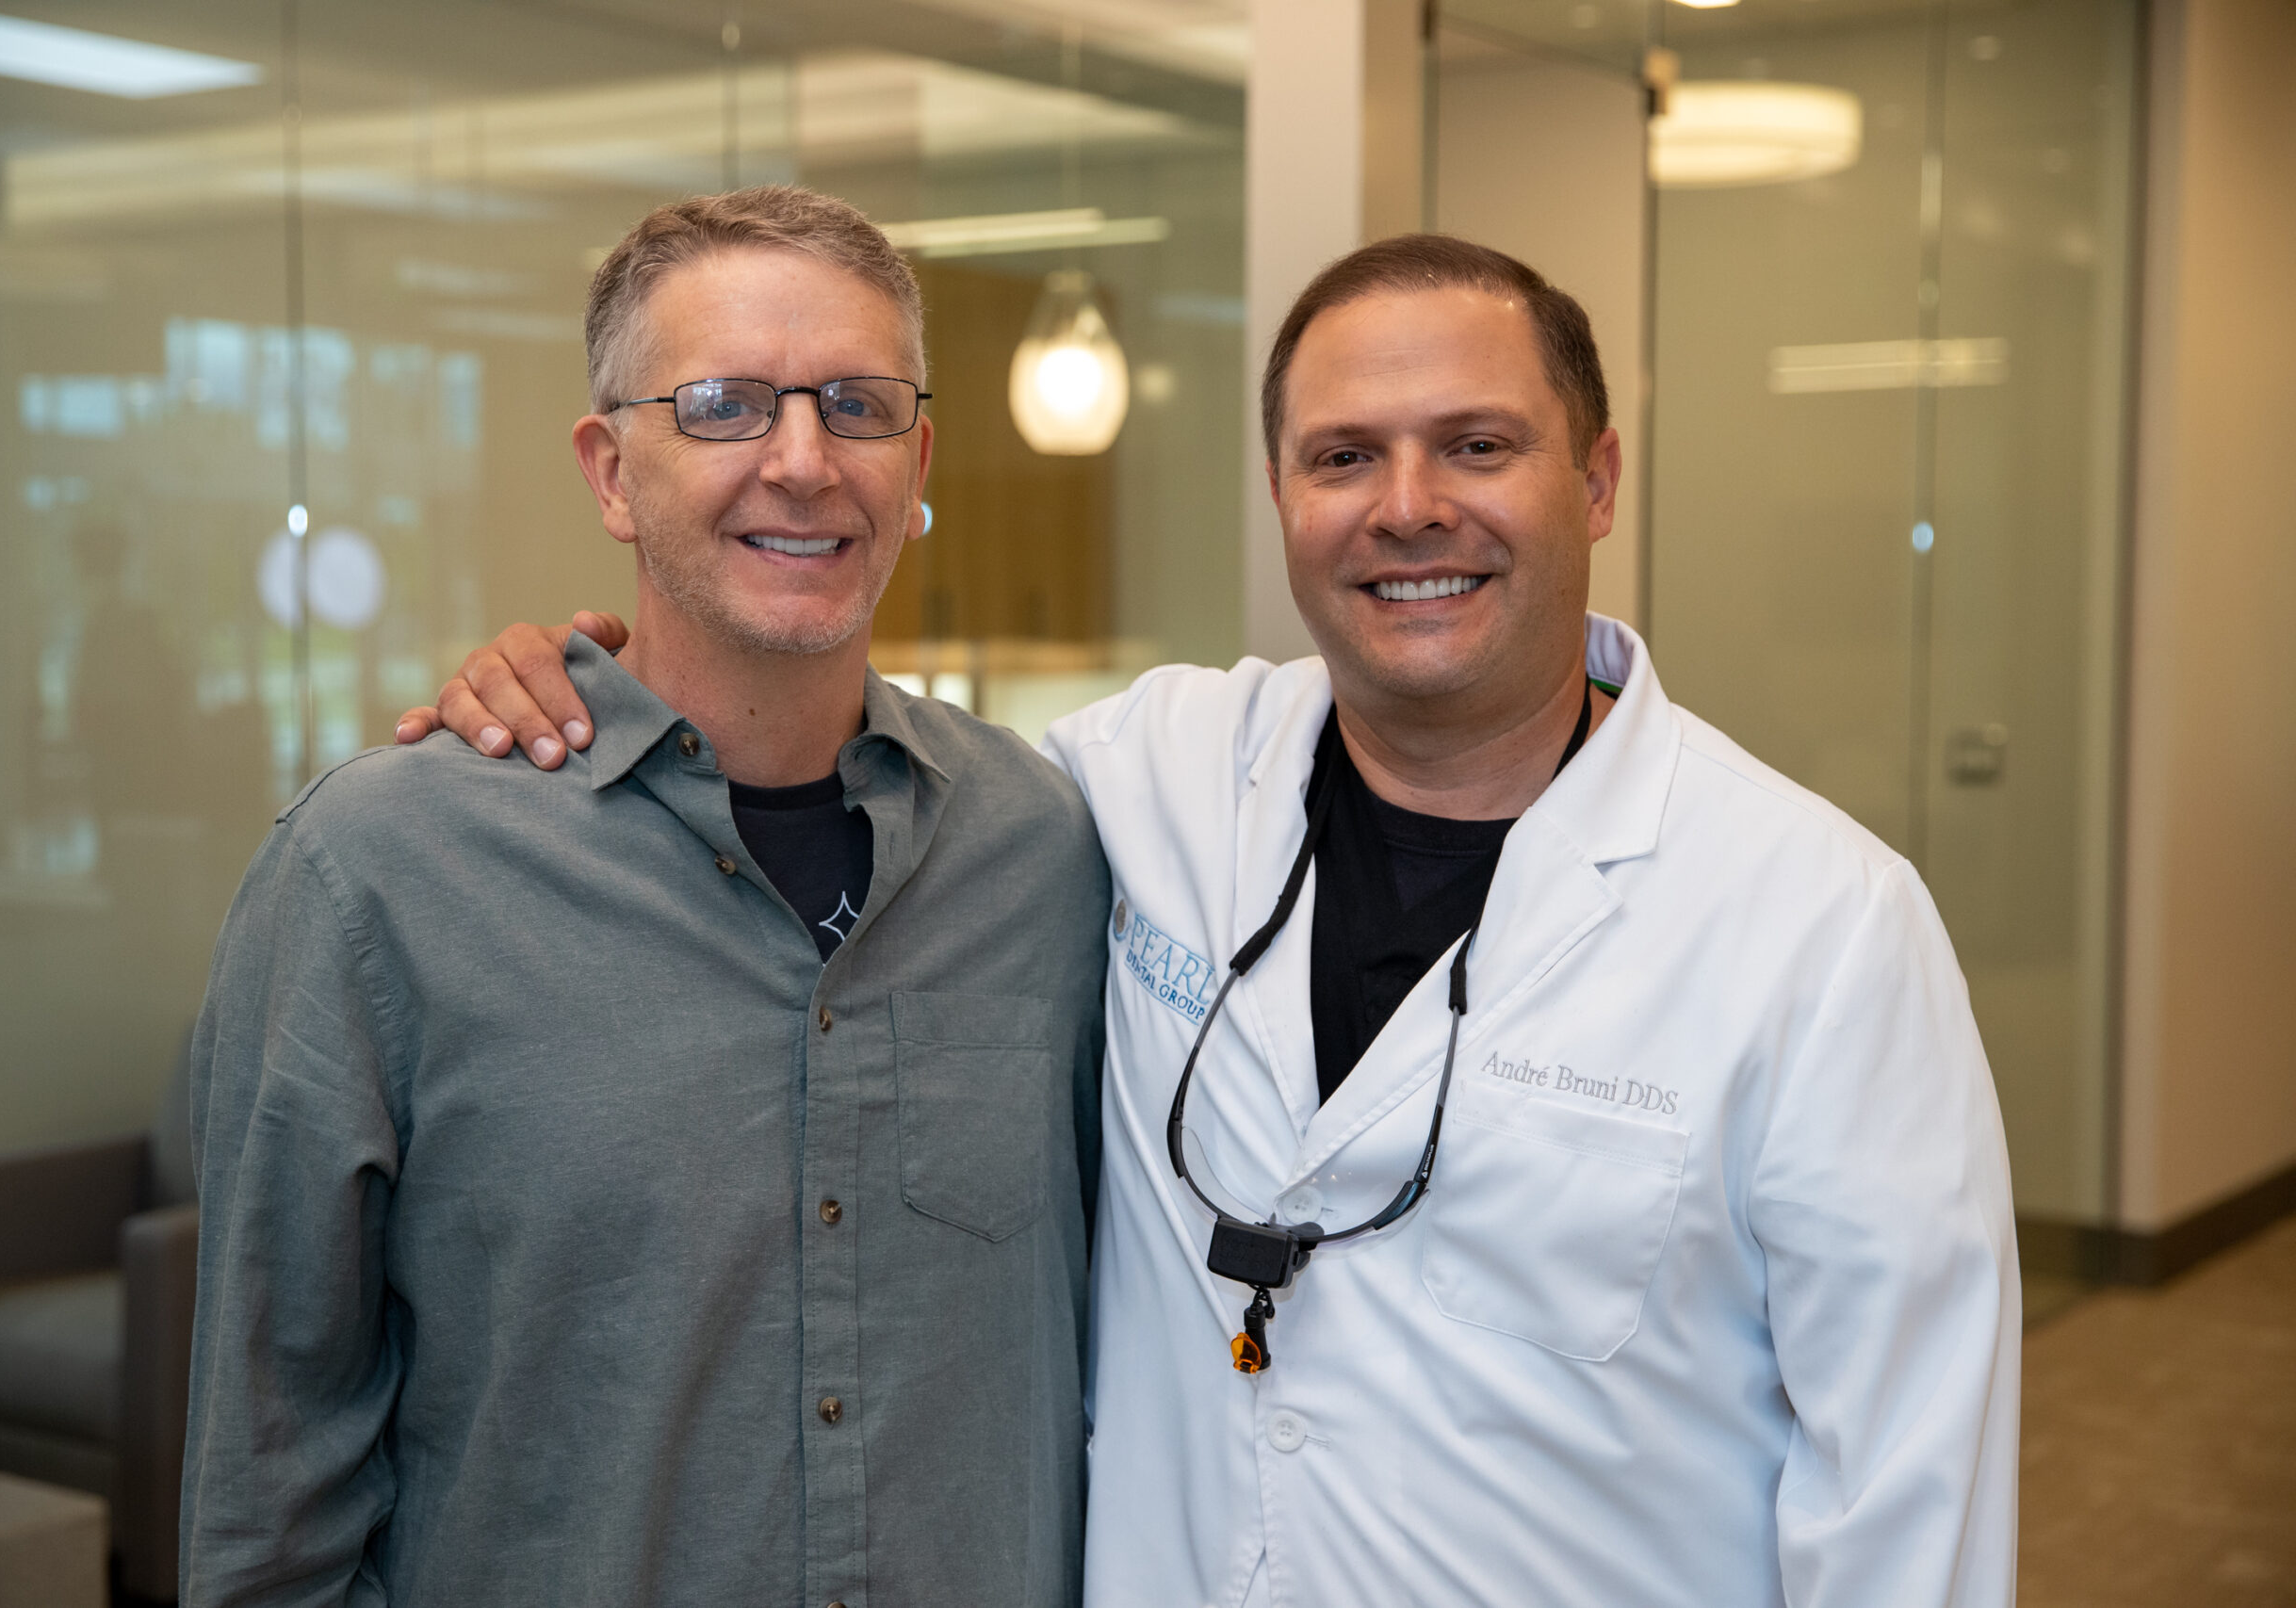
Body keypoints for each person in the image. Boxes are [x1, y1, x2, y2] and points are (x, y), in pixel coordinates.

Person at [408, 233, 2020, 1606]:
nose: (1407, 508)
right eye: (1343, 457)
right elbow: (811, 740)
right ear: (1282, 495)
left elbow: (1905, 1507)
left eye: (1478, 445)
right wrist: (583, 689)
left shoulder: (1822, 928)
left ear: (1594, 479)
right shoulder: (1138, 786)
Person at [186, 187, 1109, 1608]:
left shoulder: (1046, 851)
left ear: (916, 460)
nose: (802, 461)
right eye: (727, 406)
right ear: (611, 470)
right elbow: (272, 1493)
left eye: (854, 407)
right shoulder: (378, 876)